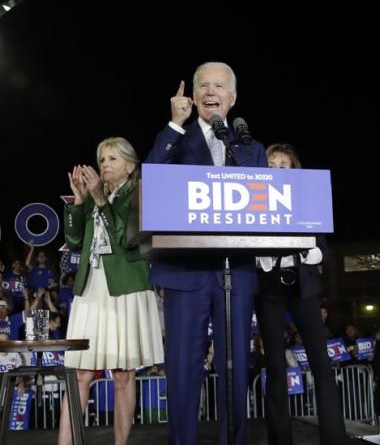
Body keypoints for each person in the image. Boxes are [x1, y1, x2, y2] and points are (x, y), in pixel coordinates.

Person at [144, 61, 267, 445]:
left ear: (232, 98)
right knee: (183, 366)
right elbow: (151, 177)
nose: (210, 91)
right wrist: (174, 125)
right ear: (193, 96)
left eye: (218, 86)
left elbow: (264, 206)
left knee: (235, 367)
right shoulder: (175, 140)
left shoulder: (252, 148)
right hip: (185, 271)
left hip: (238, 271)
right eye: (203, 86)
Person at [58, 137, 164, 445]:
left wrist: (101, 202)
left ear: (130, 166)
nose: (104, 163)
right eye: (102, 158)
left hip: (126, 289)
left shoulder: (139, 193)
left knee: (122, 374)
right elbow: (75, 240)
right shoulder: (95, 193)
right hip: (91, 288)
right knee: (80, 373)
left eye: (112, 159)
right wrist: (80, 200)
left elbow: (126, 238)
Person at [254, 143, 346, 444]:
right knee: (276, 366)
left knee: (321, 360)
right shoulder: (251, 199)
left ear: (293, 170)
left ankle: (334, 436)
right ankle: (280, 439)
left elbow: (324, 247)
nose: (277, 169)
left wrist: (313, 253)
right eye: (271, 164)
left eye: (283, 165)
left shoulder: (309, 199)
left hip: (304, 287)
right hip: (268, 288)